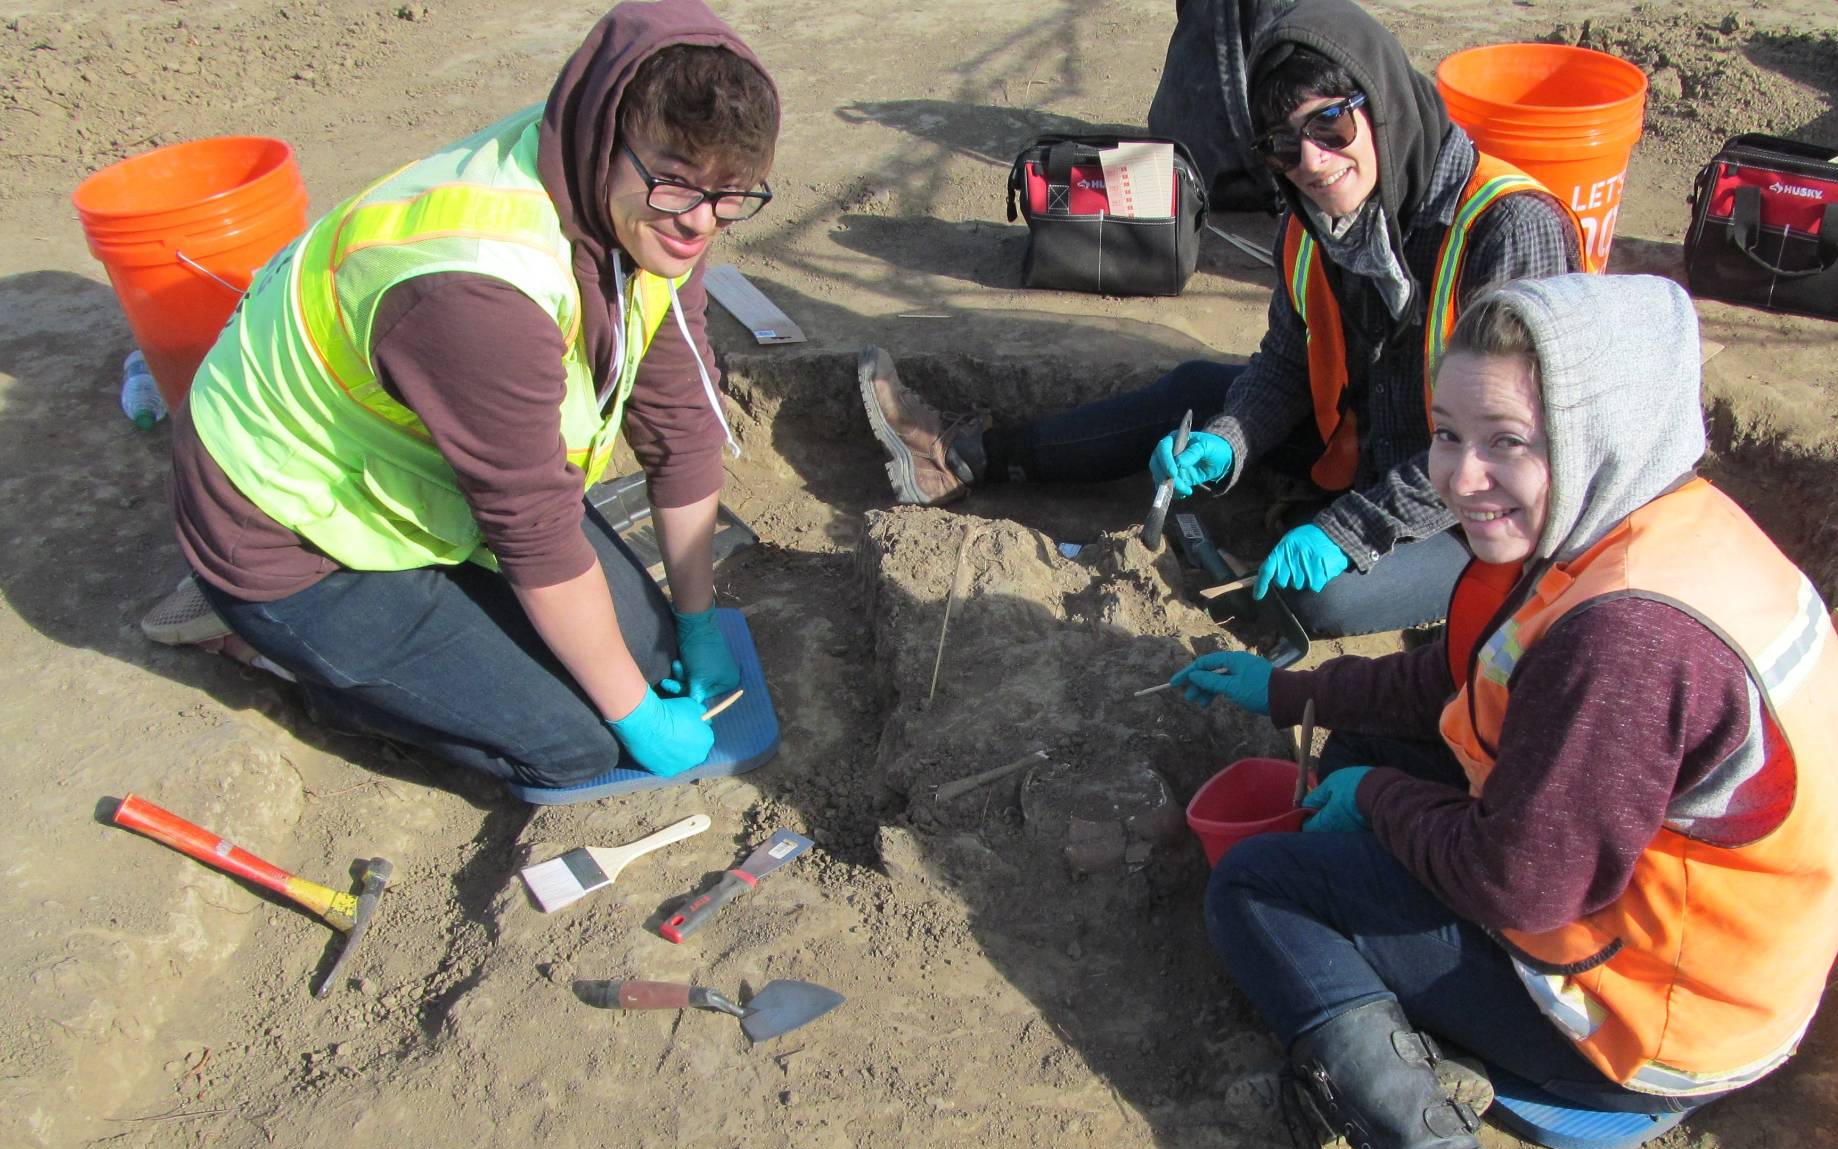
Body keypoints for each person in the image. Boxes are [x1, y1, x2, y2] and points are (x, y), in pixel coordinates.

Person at [1170, 274, 1838, 1149]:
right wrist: (1294, 693)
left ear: (1591, 435)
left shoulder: (1629, 639)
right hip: (1674, 929)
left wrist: (1378, 804)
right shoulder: (1634, 518)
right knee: (1358, 754)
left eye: (1507, 442)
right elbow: (1469, 673)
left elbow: (1520, 882)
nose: (1459, 477)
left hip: (1650, 1023)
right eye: (1448, 434)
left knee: (1258, 891)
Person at [156, 0, 778, 789]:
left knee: (650, 660)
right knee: (578, 745)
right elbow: (536, 534)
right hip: (289, 532)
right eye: (677, 184)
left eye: (733, 195)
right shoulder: (479, 285)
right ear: (606, 134)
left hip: (432, 481)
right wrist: (635, 718)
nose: (699, 223)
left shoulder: (639, 205)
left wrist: (696, 621)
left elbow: (681, 424)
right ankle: (276, 645)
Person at [859, 0, 1582, 638]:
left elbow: (1508, 455)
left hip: (1482, 512)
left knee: (1315, 599)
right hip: (1369, 444)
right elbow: (1287, 363)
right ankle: (962, 457)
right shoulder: (1318, 220)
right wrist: (1230, 443)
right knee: (1199, 392)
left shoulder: (1506, 228)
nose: (1313, 162)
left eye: (1330, 124)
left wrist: (1351, 528)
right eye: (1283, 146)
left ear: (1382, 101)